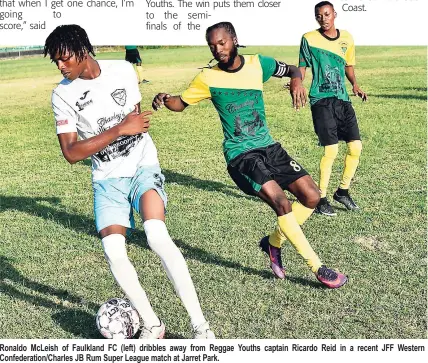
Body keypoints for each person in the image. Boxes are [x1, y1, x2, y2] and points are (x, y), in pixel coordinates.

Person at [44, 24, 215, 339]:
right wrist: (117, 131)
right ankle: (152, 324)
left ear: (83, 50)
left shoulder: (123, 70)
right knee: (114, 251)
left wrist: (127, 128)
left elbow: (137, 122)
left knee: (157, 236)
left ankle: (200, 326)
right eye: (55, 61)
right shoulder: (62, 94)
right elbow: (70, 152)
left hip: (141, 166)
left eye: (64, 58)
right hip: (107, 181)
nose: (60, 66)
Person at [152, 21, 347, 289]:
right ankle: (318, 267)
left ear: (233, 40)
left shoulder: (258, 64)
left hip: (269, 147)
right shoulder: (208, 78)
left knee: (312, 196)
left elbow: (291, 69)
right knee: (282, 203)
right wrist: (165, 98)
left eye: (222, 42)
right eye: (212, 45)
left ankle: (273, 242)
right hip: (241, 155)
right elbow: (180, 103)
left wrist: (296, 81)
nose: (218, 49)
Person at [299, 1, 367, 216]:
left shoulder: (347, 37)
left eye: (327, 14)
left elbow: (348, 66)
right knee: (332, 150)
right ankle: (321, 198)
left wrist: (355, 84)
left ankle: (343, 192)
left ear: (334, 14)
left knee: (355, 147)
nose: (323, 18)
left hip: (342, 99)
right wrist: (297, 82)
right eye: (319, 15)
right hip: (321, 100)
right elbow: (302, 66)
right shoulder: (309, 38)